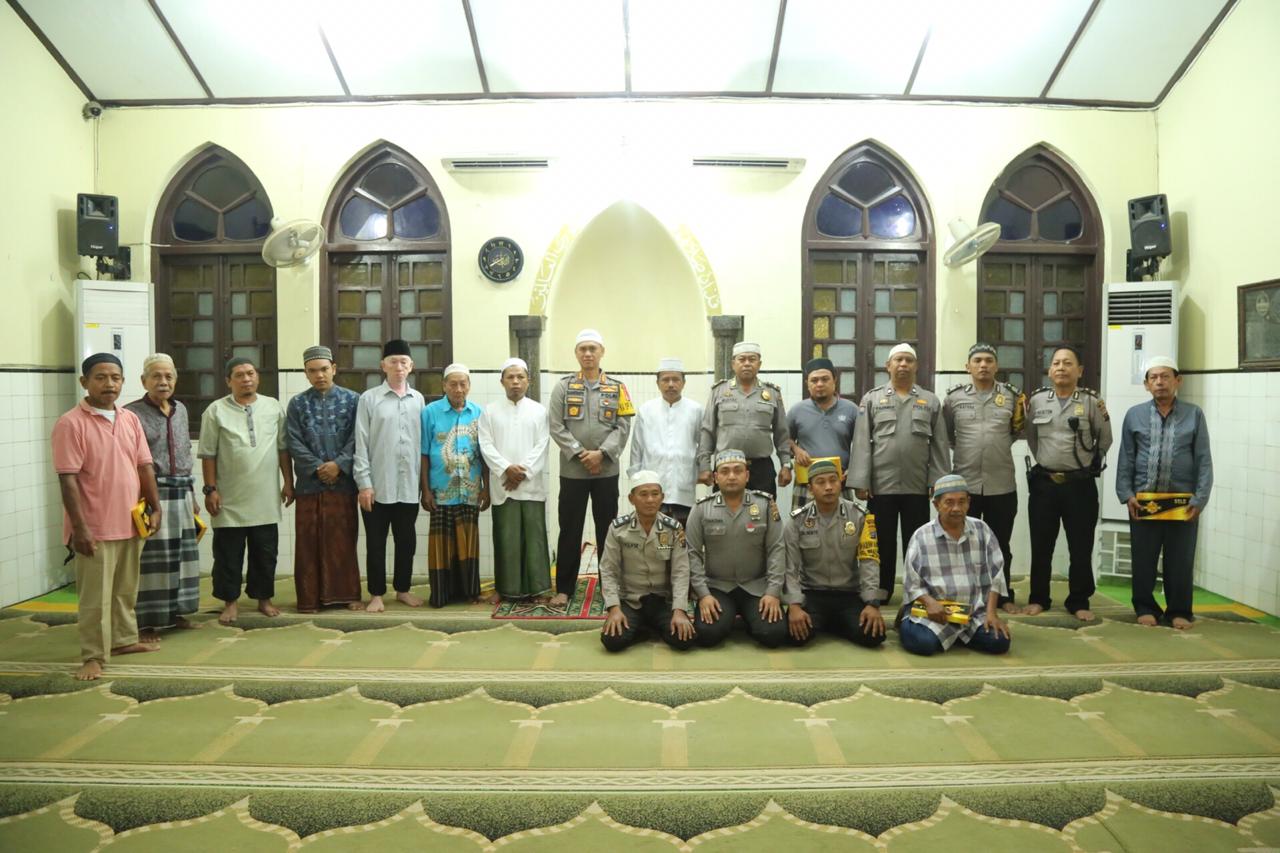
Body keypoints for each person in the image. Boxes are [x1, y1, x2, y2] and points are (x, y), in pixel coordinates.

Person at [54, 353, 162, 680]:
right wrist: (80, 528)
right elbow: (67, 479)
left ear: (123, 382)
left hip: (130, 521)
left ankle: (124, 640)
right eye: (100, 377)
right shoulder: (71, 423)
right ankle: (93, 655)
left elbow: (144, 465)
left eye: (115, 377)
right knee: (94, 599)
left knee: (124, 591)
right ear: (84, 382)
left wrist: (155, 507)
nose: (109, 384)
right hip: (95, 528)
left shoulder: (129, 419)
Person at [1115, 357, 1213, 630]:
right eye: (1153, 378)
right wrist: (1126, 494)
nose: (1160, 382)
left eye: (1165, 377)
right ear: (1146, 384)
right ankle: (1145, 607)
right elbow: (1126, 458)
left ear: (1177, 380)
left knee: (1180, 560)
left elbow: (1203, 460)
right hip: (1145, 502)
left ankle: (1179, 610)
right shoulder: (1134, 415)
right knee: (1143, 558)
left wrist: (1200, 498)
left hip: (1183, 504)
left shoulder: (1194, 414)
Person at [848, 342, 949, 604]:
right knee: (882, 542)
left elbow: (939, 446)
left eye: (908, 360)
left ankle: (917, 591)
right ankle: (881, 590)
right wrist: (861, 480)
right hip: (881, 486)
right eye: (898, 360)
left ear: (916, 366)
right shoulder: (872, 399)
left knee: (918, 541)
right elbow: (861, 442)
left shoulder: (929, 401)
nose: (903, 364)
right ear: (888, 366)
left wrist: (938, 483)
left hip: (917, 486)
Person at [199, 357, 293, 625]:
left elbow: (283, 448)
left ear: (258, 377)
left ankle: (264, 599)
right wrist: (210, 490)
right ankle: (230, 602)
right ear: (229, 381)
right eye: (239, 375)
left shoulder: (273, 407)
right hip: (229, 498)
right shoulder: (215, 411)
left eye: (250, 373)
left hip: (265, 496)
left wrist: (288, 481)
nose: (246, 379)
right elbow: (208, 454)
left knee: (265, 552)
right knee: (229, 554)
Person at [547, 329, 634, 608]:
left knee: (607, 530)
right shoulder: (563, 387)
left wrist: (602, 454)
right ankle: (564, 589)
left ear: (601, 352)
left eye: (592, 349)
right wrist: (581, 454)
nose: (587, 354)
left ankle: (609, 586)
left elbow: (623, 425)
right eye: (582, 349)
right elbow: (556, 425)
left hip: (606, 471)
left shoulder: (617, 387)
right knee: (569, 529)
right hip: (573, 471)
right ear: (576, 353)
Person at [1024, 345, 1112, 621]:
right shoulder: (1037, 401)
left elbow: (1104, 439)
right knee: (1041, 545)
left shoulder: (1091, 402)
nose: (1061, 367)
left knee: (1081, 545)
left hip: (1079, 486)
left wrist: (1086, 465)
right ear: (1049, 371)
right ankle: (1039, 598)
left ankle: (1079, 599)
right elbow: (1031, 438)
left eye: (1068, 363)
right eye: (1056, 363)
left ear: (1079, 371)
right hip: (1044, 484)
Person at [943, 343, 1025, 613]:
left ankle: (1003, 595)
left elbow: (1015, 432)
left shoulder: (1012, 397)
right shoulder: (954, 398)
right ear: (968, 366)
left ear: (996, 366)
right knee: (962, 543)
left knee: (1001, 544)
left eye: (989, 360)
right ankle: (964, 594)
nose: (983, 365)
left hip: (1001, 483)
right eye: (977, 360)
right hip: (964, 486)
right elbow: (948, 437)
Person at [124, 353, 201, 638]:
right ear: (144, 381)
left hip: (181, 494)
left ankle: (175, 613)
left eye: (168, 376)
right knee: (151, 561)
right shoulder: (131, 414)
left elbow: (184, 455)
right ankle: (144, 623)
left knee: (180, 557)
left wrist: (192, 496)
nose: (163, 381)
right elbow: (131, 462)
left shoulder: (180, 409)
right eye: (156, 376)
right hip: (151, 495)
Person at [284, 345, 363, 613]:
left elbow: (358, 438)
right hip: (309, 485)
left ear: (334, 369)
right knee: (308, 544)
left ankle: (348, 594)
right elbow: (292, 441)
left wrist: (339, 465)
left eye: (324, 369)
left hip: (343, 484)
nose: (319, 375)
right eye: (313, 371)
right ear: (306, 374)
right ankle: (310, 599)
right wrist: (318, 467)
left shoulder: (353, 400)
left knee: (343, 541)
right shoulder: (297, 404)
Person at [899, 474, 1011, 657]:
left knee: (1000, 642)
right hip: (935, 613)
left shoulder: (982, 530)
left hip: (973, 613)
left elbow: (996, 575)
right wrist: (930, 602)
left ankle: (959, 635)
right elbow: (911, 581)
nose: (956, 508)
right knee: (923, 644)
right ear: (936, 505)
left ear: (969, 502)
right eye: (949, 502)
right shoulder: (921, 536)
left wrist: (991, 613)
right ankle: (908, 622)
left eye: (961, 502)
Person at [686, 449, 787, 648]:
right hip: (717, 587)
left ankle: (751, 621)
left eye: (737, 471)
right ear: (715, 477)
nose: (731, 476)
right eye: (724, 471)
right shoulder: (701, 509)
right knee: (707, 634)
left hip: (756, 586)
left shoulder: (765, 505)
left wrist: (773, 592)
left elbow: (777, 549)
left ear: (747, 475)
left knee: (774, 634)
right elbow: (692, 554)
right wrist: (703, 595)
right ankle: (733, 619)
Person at [354, 339, 426, 613]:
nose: (398, 367)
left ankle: (403, 590)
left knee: (406, 541)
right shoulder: (369, 399)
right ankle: (376, 594)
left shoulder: (418, 399)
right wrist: (364, 484)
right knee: (375, 542)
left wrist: (423, 485)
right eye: (393, 362)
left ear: (411, 366)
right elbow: (361, 443)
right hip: (377, 486)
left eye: (403, 362)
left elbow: (421, 444)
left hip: (408, 486)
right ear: (383, 365)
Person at [783, 459, 885, 648]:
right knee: (793, 636)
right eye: (821, 482)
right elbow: (791, 568)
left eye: (833, 480)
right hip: (812, 593)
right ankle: (834, 623)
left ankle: (831, 622)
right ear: (811, 489)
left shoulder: (860, 516)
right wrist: (795, 605)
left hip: (848, 594)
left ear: (841, 483)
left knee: (874, 636)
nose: (828, 487)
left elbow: (869, 561)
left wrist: (872, 603)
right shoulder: (797, 521)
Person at [479, 358, 552, 603]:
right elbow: (485, 445)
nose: (515, 382)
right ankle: (506, 589)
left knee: (535, 539)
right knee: (506, 538)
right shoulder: (489, 411)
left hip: (530, 486)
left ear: (528, 381)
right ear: (502, 381)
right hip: (503, 485)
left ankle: (539, 590)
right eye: (510, 377)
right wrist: (505, 469)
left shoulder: (539, 411)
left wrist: (521, 472)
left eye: (520, 377)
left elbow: (543, 445)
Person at [599, 471, 695, 652]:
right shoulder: (618, 529)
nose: (650, 500)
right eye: (643, 494)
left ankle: (649, 626)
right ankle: (645, 627)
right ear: (631, 498)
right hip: (632, 600)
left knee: (685, 640)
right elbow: (608, 570)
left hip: (662, 600)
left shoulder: (673, 528)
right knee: (612, 641)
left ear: (662, 497)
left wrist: (680, 610)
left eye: (655, 494)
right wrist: (613, 608)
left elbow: (681, 572)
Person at [421, 363, 490, 606]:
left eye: (463, 384)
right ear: (444, 386)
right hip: (441, 490)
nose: (458, 389)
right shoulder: (430, 412)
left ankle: (470, 592)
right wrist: (426, 490)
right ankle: (441, 595)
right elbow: (424, 454)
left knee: (468, 543)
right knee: (441, 546)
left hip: (470, 489)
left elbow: (484, 454)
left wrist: (486, 487)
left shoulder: (479, 413)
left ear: (469, 386)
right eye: (453, 384)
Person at [697, 341, 792, 498]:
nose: (747, 363)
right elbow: (708, 431)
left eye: (752, 359)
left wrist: (786, 465)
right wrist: (704, 466)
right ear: (733, 364)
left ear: (759, 364)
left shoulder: (772, 393)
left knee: (763, 515)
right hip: (726, 467)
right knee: (723, 515)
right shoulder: (719, 391)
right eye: (742, 359)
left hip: (761, 469)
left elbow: (782, 433)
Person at [628, 357, 702, 527]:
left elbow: (703, 447)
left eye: (675, 379)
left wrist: (701, 470)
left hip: (683, 485)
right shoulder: (646, 410)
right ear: (657, 383)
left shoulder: (695, 410)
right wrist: (636, 479)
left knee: (683, 538)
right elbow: (636, 448)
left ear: (683, 382)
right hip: (651, 489)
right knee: (653, 540)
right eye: (665, 380)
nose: (670, 384)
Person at [787, 357, 858, 512]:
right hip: (806, 483)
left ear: (834, 381)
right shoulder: (796, 411)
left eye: (825, 379)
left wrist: (853, 470)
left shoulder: (851, 410)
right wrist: (796, 450)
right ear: (807, 384)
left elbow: (862, 445)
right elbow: (785, 439)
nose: (819, 384)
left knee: (845, 530)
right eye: (814, 380)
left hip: (839, 482)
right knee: (804, 529)